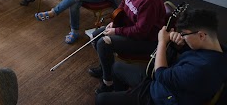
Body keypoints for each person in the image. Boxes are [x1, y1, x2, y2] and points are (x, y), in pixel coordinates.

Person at [96, 9, 227, 105]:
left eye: (185, 34)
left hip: (163, 97)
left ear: (201, 35)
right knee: (116, 67)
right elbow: (194, 54)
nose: (182, 37)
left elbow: (161, 74)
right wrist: (179, 45)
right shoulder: (217, 49)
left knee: (100, 100)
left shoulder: (202, 68)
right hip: (166, 83)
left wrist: (162, 42)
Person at [89, 0, 166, 94]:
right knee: (96, 35)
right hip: (129, 28)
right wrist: (114, 20)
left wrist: (116, 31)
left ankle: (108, 82)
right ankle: (105, 66)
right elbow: (123, 4)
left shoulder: (151, 1)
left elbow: (141, 31)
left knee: (103, 43)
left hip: (145, 40)